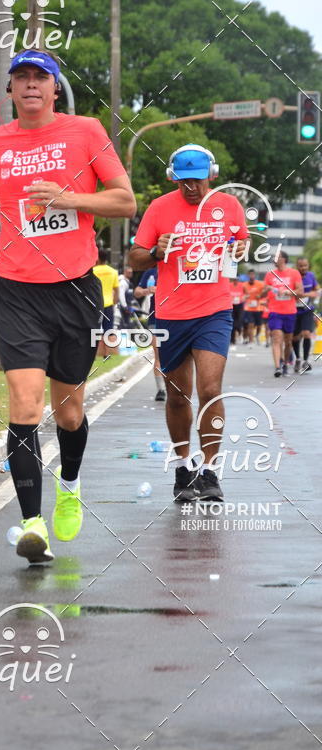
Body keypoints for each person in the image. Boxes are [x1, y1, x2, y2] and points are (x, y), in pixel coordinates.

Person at [0, 49, 135, 564]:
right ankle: (32, 525)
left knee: (69, 412)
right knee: (25, 406)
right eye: (21, 77)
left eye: (40, 77)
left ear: (55, 89)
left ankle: (69, 485)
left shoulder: (86, 131)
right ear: (9, 90)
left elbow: (125, 201)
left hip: (75, 288)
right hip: (16, 288)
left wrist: (70, 199)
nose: (31, 84)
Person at [129, 144, 248, 503]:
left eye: (197, 180)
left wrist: (240, 248)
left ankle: (210, 472)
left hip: (214, 311)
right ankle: (184, 466)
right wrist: (156, 251)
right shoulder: (159, 207)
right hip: (171, 314)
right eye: (183, 182)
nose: (191, 188)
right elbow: (135, 258)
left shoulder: (229, 205)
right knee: (178, 396)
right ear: (173, 178)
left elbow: (240, 242)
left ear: (211, 175)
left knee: (210, 390)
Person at [260, 251, 303, 377]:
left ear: (283, 259)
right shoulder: (270, 274)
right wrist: (267, 289)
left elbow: (300, 292)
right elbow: (262, 294)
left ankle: (285, 363)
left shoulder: (294, 273)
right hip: (274, 311)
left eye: (276, 257)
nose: (274, 259)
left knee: (288, 341)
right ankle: (277, 367)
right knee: (276, 337)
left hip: (290, 312)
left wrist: (288, 292)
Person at [134, 267, 166, 400]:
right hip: (155, 317)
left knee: (176, 355)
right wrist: (147, 290)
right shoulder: (150, 272)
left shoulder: (177, 268)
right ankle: (161, 390)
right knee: (159, 355)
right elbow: (137, 292)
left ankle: (175, 388)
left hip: (176, 318)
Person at [292, 257, 319, 373]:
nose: (303, 268)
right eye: (301, 266)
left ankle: (305, 361)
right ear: (297, 266)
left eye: (305, 266)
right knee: (295, 337)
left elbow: (317, 290)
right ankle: (298, 358)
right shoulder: (293, 276)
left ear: (308, 266)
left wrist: (309, 294)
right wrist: (299, 295)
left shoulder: (311, 276)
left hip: (307, 310)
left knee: (307, 334)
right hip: (294, 310)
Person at [93, 248, 120, 357]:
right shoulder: (113, 271)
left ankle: (93, 355)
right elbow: (116, 290)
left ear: (97, 258)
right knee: (108, 329)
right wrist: (115, 302)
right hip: (108, 304)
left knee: (94, 330)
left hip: (95, 304)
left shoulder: (93, 271)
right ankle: (107, 354)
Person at [242, 269, 264, 344]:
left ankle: (257, 335)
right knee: (250, 324)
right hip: (248, 308)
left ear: (255, 275)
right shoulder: (244, 285)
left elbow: (264, 294)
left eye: (253, 274)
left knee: (259, 325)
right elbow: (242, 294)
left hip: (258, 308)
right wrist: (244, 297)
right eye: (250, 274)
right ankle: (251, 341)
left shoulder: (260, 284)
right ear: (247, 276)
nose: (251, 276)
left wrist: (260, 296)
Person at [117, 264, 134, 329]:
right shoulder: (123, 282)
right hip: (123, 307)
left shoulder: (128, 282)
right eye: (129, 272)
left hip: (128, 306)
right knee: (123, 324)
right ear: (125, 272)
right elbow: (121, 295)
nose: (130, 274)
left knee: (127, 323)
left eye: (131, 272)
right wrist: (125, 307)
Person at [230, 278, 244, 345]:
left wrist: (244, 297)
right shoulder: (229, 285)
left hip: (239, 305)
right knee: (232, 322)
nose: (235, 281)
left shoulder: (242, 285)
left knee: (239, 322)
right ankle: (232, 340)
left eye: (237, 280)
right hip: (232, 305)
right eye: (234, 279)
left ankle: (240, 333)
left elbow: (247, 293)